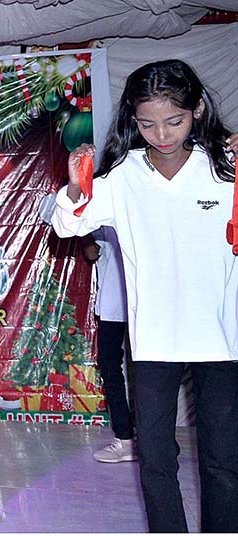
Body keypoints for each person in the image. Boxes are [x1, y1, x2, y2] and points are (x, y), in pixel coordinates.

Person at [50, 59, 238, 532]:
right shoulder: (124, 175)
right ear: (133, 120)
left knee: (223, 461)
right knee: (155, 460)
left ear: (197, 110)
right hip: (154, 339)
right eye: (148, 122)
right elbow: (68, 224)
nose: (162, 133)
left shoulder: (225, 165)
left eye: (174, 120)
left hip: (223, 337)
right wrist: (76, 187)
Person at [80, 228, 135, 463]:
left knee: (147, 370)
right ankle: (126, 438)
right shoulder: (103, 202)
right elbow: (91, 250)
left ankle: (144, 439)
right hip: (115, 300)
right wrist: (86, 238)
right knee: (112, 366)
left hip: (142, 299)